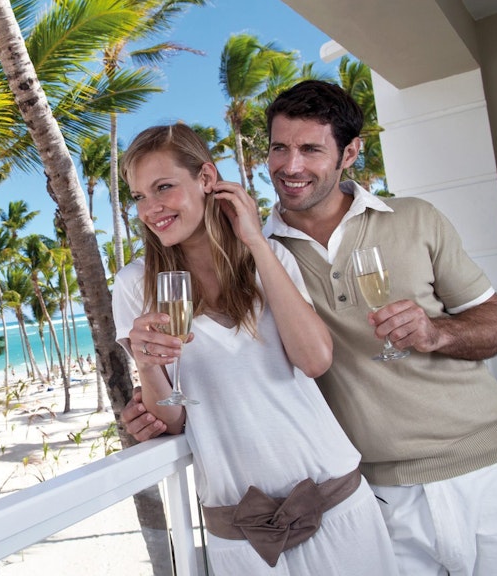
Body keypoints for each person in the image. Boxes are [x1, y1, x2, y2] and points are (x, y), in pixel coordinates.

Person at [122, 80, 497, 576]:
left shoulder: (413, 219)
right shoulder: (268, 248)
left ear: (349, 153)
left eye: (311, 149)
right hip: (379, 491)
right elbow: (206, 384)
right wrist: (149, 393)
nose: (291, 166)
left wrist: (436, 333)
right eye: (279, 148)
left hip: (485, 467)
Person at [113, 122, 397, 574]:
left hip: (337, 501)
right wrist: (147, 366)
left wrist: (255, 243)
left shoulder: (271, 257)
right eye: (139, 196)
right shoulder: (135, 285)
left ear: (207, 178)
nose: (150, 208)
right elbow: (172, 417)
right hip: (238, 531)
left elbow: (314, 360)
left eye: (163, 187)